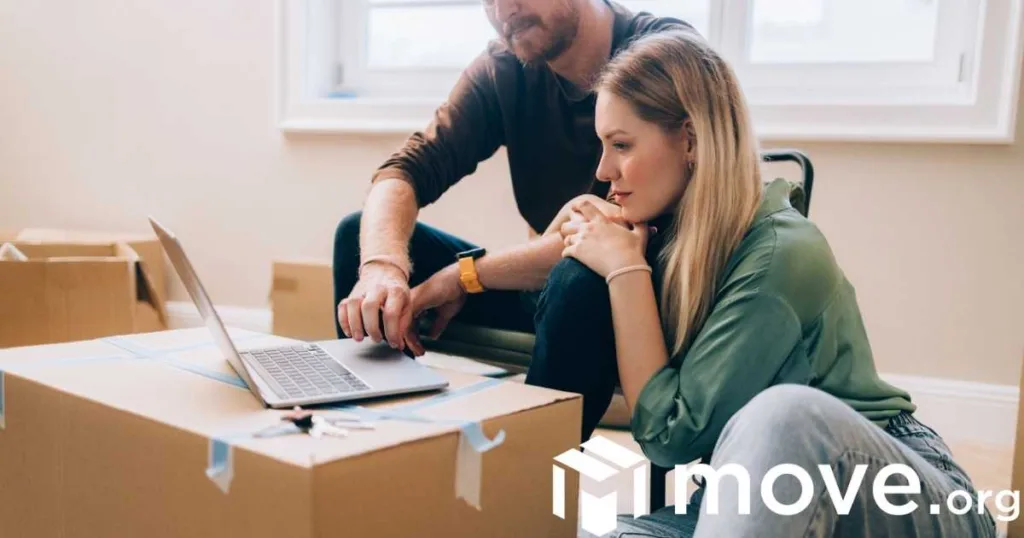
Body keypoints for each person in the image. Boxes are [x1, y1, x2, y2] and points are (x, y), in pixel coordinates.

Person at [553, 29, 999, 538]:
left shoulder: (779, 253)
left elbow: (671, 436)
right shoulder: (668, 239)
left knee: (783, 415)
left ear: (691, 140)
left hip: (884, 490)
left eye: (621, 145)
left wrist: (625, 272)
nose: (603, 169)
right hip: (747, 497)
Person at [333, 0, 691, 440]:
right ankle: (369, 447)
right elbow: (406, 170)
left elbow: (610, 238)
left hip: (629, 298)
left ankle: (530, 470)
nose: (505, 9)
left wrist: (464, 275)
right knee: (356, 236)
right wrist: (382, 267)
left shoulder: (663, 53)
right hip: (545, 284)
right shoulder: (504, 68)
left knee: (579, 278)